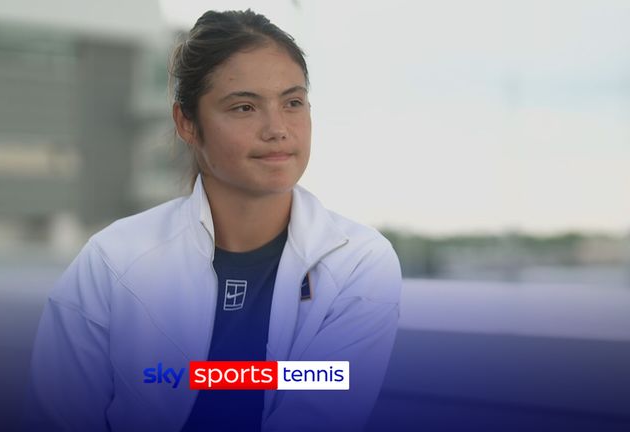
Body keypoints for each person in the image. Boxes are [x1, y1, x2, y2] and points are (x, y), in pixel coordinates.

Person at [24, 9, 401, 432]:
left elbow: (321, 414)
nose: (277, 129)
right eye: (244, 107)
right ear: (187, 123)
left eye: (292, 102)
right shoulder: (113, 262)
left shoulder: (357, 264)